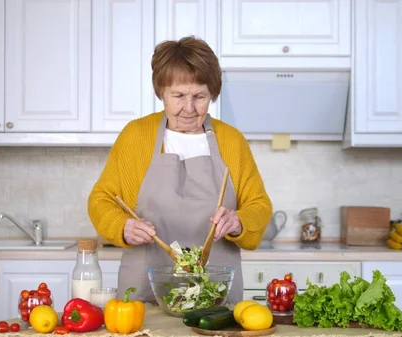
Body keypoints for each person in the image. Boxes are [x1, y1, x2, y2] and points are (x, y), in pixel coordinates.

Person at [87, 36, 272, 304]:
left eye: (199, 97)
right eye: (178, 96)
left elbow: (259, 205)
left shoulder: (232, 140)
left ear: (213, 95)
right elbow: (101, 199)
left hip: (214, 295)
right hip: (144, 293)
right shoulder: (135, 136)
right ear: (161, 92)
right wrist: (122, 226)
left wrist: (239, 221)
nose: (188, 108)